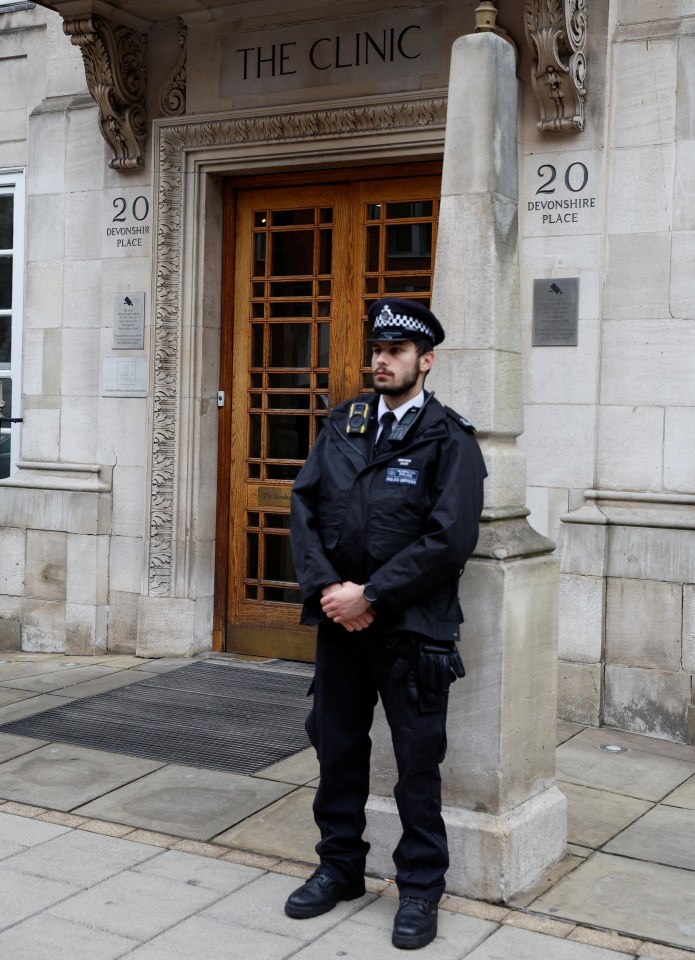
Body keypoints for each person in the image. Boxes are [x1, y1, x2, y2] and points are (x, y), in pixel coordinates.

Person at [285, 297, 486, 950]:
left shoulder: (449, 438)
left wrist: (370, 592)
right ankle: (339, 867)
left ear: (424, 362)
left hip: (409, 631)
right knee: (336, 747)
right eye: (377, 349)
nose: (381, 360)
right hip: (340, 625)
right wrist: (327, 591)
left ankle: (420, 888)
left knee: (416, 763)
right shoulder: (342, 423)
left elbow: (448, 539)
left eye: (396, 351)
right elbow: (305, 506)